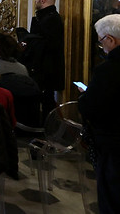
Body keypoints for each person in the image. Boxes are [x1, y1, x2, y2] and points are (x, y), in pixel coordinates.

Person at [79, 14, 120, 214]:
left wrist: (86, 97)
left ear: (111, 40)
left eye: (101, 40)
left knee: (112, 197)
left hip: (113, 143)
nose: (101, 45)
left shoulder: (108, 70)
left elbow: (92, 108)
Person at [30, 0, 65, 115]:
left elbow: (45, 45)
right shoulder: (48, 18)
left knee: (47, 103)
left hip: (46, 69)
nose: (35, 1)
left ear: (42, 0)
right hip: (44, 68)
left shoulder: (51, 20)